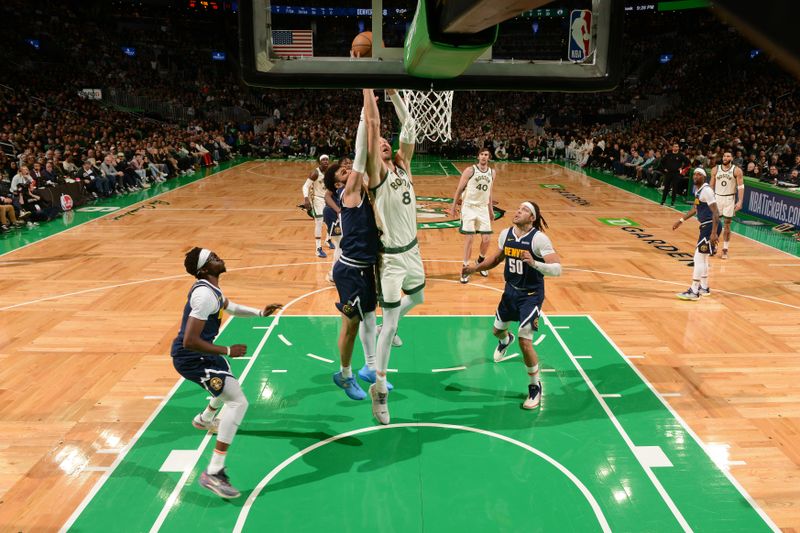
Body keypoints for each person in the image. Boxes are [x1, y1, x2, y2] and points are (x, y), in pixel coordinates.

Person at [171, 247, 282, 498]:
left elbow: (229, 307)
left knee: (228, 382)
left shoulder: (212, 291)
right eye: (212, 258)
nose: (218, 258)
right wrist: (228, 349)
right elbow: (189, 340)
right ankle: (213, 472)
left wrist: (260, 312)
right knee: (238, 402)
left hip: (205, 354)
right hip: (192, 357)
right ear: (204, 269)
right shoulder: (204, 296)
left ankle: (205, 418)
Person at [363, 87, 425, 424]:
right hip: (390, 260)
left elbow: (410, 127)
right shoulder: (377, 174)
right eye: (381, 142)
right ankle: (381, 389)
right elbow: (373, 133)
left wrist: (395, 97)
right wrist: (370, 95)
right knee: (387, 324)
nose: (386, 142)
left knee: (418, 299)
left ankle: (394, 321)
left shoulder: (403, 168)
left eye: (390, 142)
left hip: (413, 252)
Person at [462, 201, 562, 409]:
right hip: (510, 293)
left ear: (532, 218)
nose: (518, 211)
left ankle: (535, 387)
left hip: (531, 296)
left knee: (526, 341)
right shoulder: (506, 234)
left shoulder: (539, 239)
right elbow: (496, 259)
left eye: (524, 210)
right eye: (518, 208)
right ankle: (506, 339)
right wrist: (474, 269)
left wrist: (535, 264)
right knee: (496, 331)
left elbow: (557, 269)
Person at [323, 110, 391, 400]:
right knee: (350, 324)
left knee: (369, 319)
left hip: (366, 270)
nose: (348, 170)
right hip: (350, 271)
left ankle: (370, 368)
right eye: (342, 171)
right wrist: (365, 115)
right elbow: (362, 155)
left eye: (347, 168)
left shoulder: (364, 193)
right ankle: (345, 374)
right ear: (338, 184)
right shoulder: (348, 192)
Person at [672, 168, 720, 300]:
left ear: (704, 177)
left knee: (698, 258)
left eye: (699, 174)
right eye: (694, 174)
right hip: (706, 226)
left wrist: (714, 233)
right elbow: (695, 208)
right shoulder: (698, 191)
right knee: (703, 258)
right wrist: (681, 220)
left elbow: (716, 212)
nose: (695, 176)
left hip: (710, 226)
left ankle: (694, 291)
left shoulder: (707, 191)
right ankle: (704, 287)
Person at [450, 148, 495, 284]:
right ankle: (465, 268)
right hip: (469, 207)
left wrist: (491, 210)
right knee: (470, 239)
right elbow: (459, 189)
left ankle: (480, 261)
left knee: (487, 239)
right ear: (478, 156)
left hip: (482, 208)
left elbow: (490, 193)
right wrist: (453, 207)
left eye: (486, 155)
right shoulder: (470, 170)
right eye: (481, 154)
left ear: (489, 157)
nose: (483, 157)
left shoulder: (492, 172)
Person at [710, 151, 744, 260]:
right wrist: (709, 198)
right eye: (724, 156)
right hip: (717, 198)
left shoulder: (737, 170)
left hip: (729, 199)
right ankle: (713, 245)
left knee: (727, 225)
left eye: (728, 156)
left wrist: (740, 201)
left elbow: (741, 187)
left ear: (732, 158)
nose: (725, 157)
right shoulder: (715, 169)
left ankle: (725, 249)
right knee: (715, 223)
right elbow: (711, 185)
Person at [322, 157, 349, 283]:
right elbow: (327, 196)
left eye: (350, 162)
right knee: (340, 245)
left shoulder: (350, 177)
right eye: (345, 163)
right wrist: (338, 211)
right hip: (333, 214)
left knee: (343, 245)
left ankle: (336, 274)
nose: (348, 165)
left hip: (341, 215)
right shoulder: (337, 182)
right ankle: (334, 274)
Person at [302, 154, 333, 258]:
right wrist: (306, 199)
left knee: (332, 220)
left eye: (327, 159)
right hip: (318, 199)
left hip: (328, 199)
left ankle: (328, 240)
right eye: (323, 160)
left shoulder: (330, 172)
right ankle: (318, 248)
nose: (325, 161)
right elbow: (305, 186)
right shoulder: (315, 173)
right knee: (319, 222)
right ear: (319, 162)